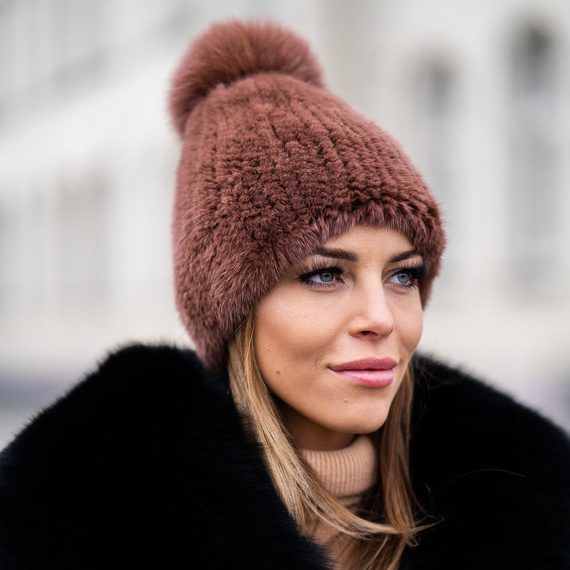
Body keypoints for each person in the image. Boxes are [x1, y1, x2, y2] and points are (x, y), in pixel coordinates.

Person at [0, 19, 569, 570]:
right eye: (325, 274)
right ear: (232, 307)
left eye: (403, 276)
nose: (381, 319)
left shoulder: (531, 495)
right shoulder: (68, 522)